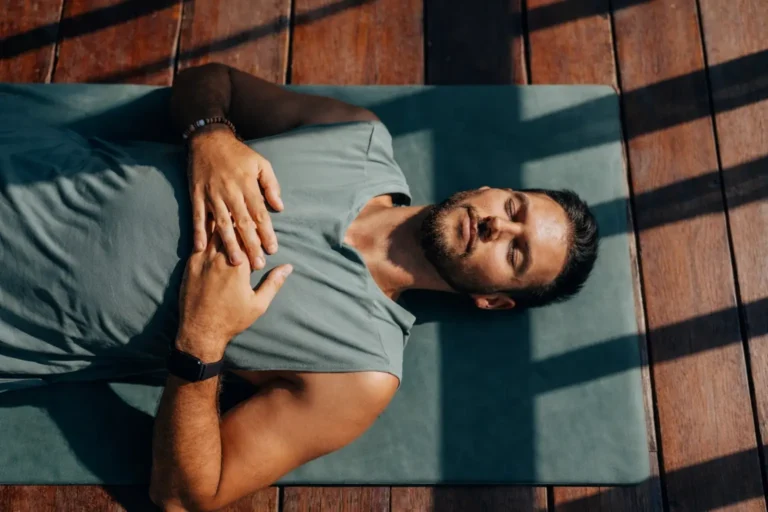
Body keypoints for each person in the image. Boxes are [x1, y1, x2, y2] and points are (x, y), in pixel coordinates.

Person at [0, 63, 598, 511]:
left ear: (493, 300)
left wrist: (202, 340)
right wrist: (212, 135)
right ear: (497, 189)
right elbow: (210, 80)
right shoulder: (359, 140)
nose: (497, 224)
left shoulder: (361, 373)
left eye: (514, 252)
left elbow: (187, 496)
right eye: (514, 207)